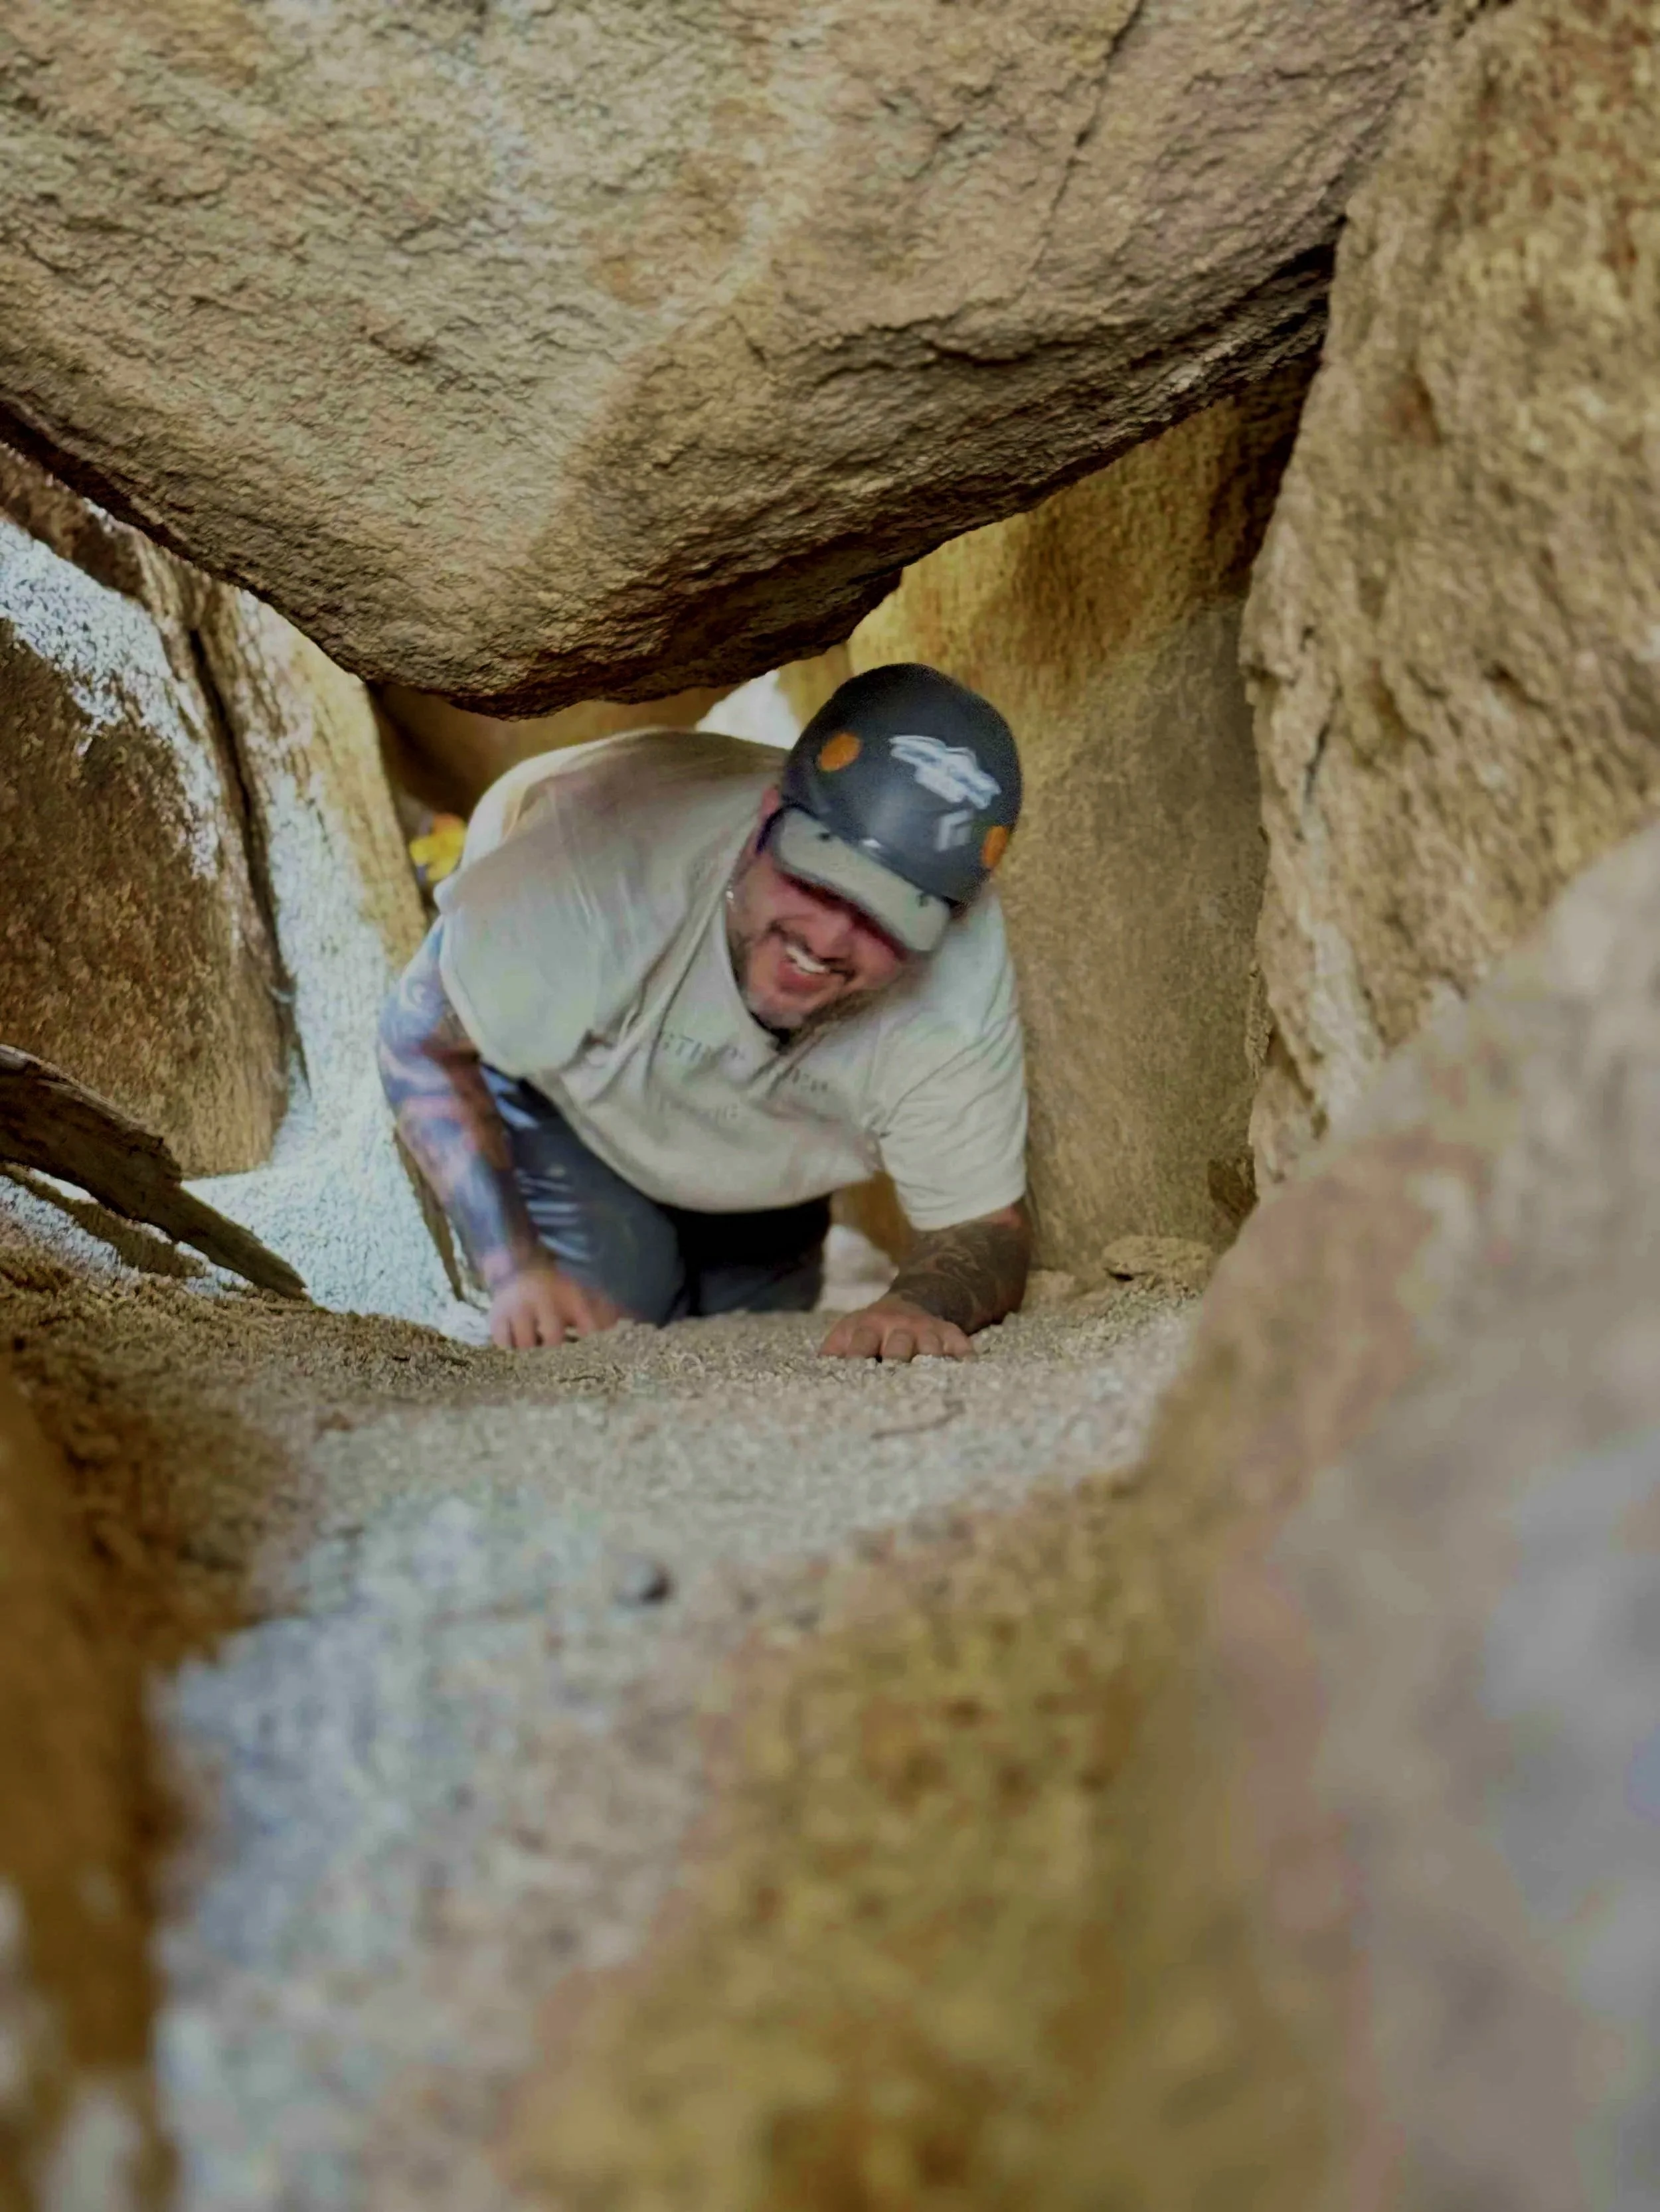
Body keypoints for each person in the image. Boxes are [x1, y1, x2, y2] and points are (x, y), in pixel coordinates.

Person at [378, 662, 1031, 1359]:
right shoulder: (593, 855)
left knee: (753, 1332)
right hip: (579, 1110)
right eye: (818, 878)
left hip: (764, 1164)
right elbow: (418, 1037)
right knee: (609, 1324)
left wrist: (915, 1303)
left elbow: (984, 1223)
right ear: (766, 816)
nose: (828, 940)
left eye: (887, 920)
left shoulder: (955, 978)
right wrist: (513, 1268)